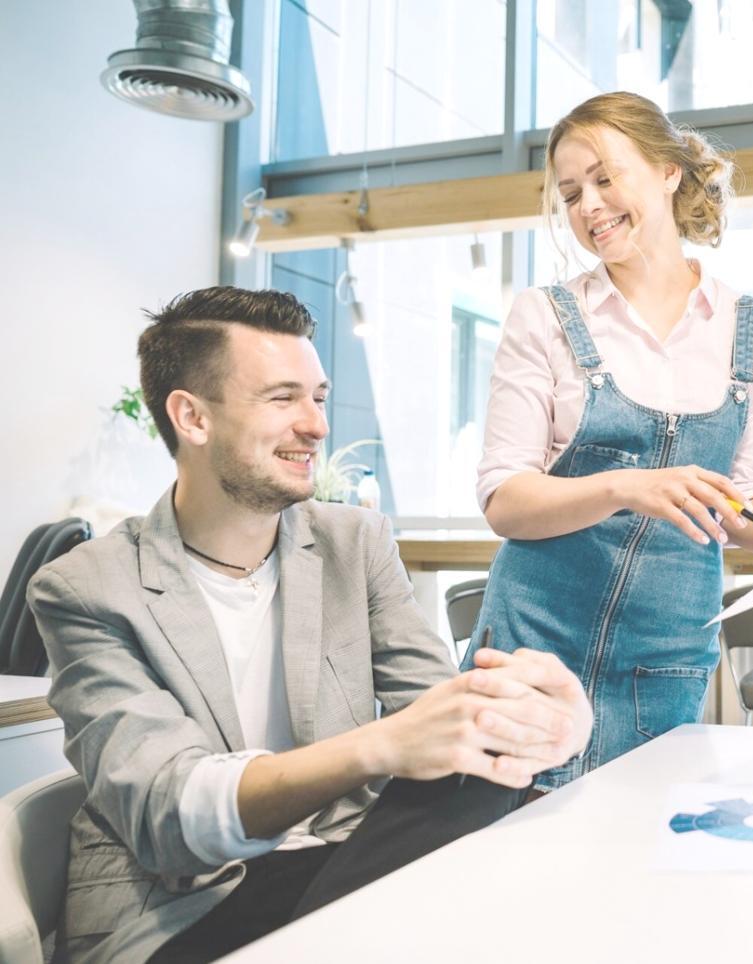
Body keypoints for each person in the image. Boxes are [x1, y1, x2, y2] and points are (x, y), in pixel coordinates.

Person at [28, 287, 593, 964]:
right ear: (192, 417)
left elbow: (439, 719)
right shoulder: (85, 588)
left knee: (483, 784)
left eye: (318, 397)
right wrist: (378, 747)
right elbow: (169, 817)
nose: (316, 425)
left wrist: (546, 724)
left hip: (338, 868)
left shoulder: (354, 544)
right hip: (177, 907)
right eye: (282, 397)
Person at [469, 92, 753, 790]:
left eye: (605, 178)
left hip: (663, 662)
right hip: (534, 650)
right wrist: (625, 485)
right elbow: (505, 498)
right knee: (508, 868)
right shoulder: (544, 316)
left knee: (638, 868)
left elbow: (743, 505)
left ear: (669, 172)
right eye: (571, 191)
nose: (588, 206)